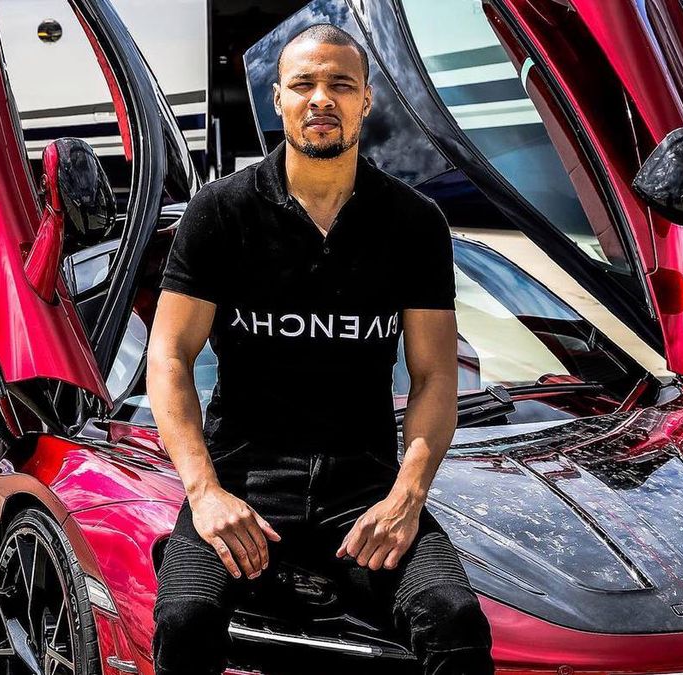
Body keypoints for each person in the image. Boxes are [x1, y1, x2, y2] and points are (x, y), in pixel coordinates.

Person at [145, 21, 495, 675]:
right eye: (303, 83)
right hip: (242, 482)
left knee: (453, 618)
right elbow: (168, 357)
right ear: (277, 97)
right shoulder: (220, 211)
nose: (321, 99)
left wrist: (407, 497)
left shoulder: (415, 223)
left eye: (341, 84)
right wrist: (205, 491)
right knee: (184, 619)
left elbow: (434, 376)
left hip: (363, 489)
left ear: (367, 100)